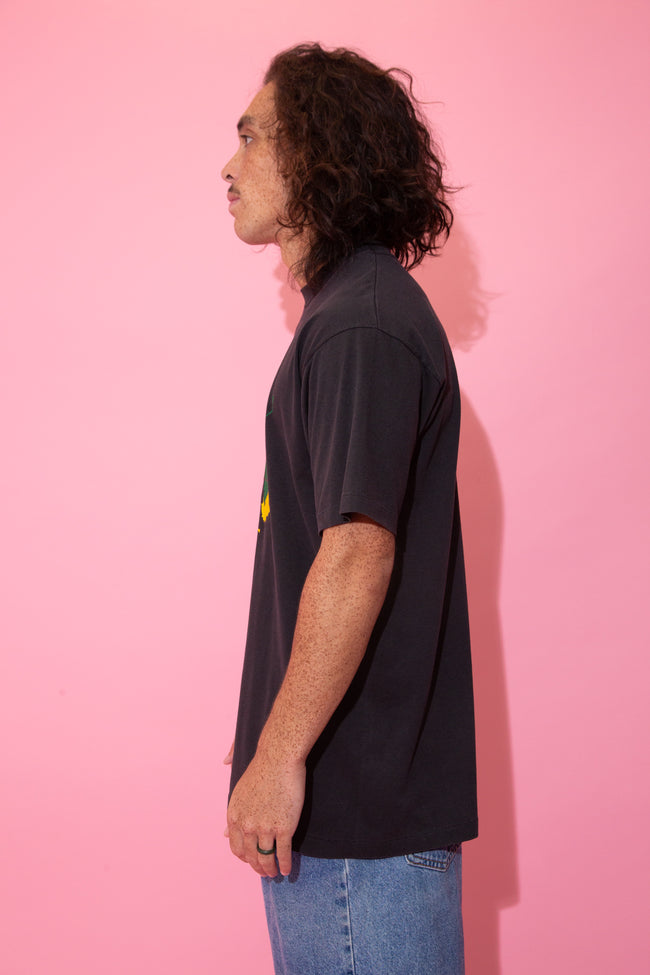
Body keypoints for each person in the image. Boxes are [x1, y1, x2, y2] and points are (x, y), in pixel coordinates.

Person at [221, 43, 477, 975]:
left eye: (253, 136)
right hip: (348, 838)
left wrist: (277, 754)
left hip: (358, 841)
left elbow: (358, 550)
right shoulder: (351, 316)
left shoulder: (361, 324)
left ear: (316, 150)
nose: (229, 164)